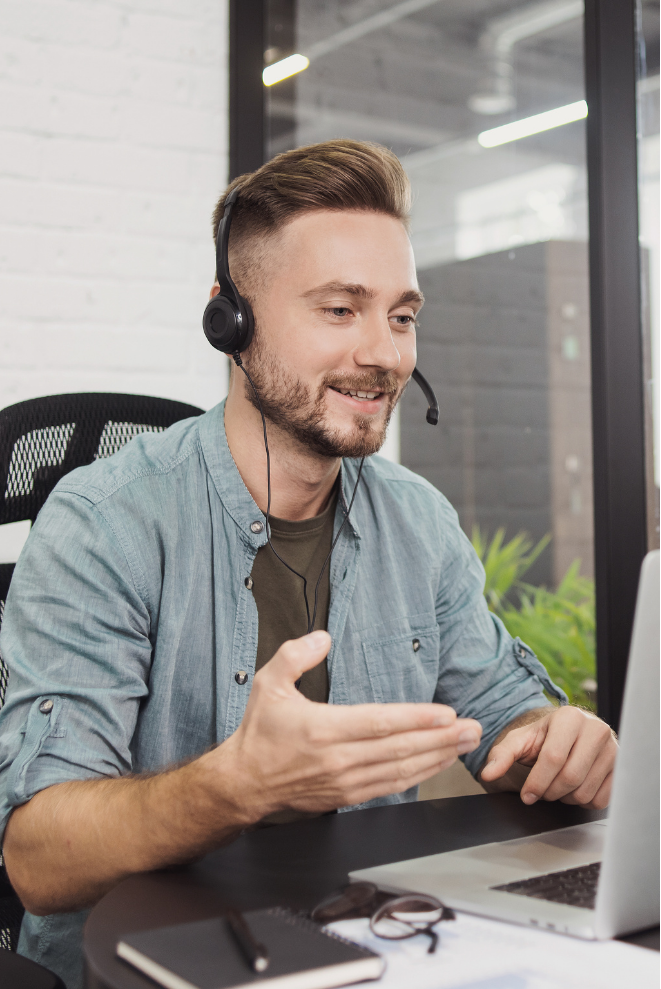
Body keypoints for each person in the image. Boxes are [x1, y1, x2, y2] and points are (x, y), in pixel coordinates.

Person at [0, 140, 616, 988]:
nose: (386, 354)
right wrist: (234, 786)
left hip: (367, 949)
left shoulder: (417, 519)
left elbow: (505, 712)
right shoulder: (104, 523)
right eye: (340, 310)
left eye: (401, 316)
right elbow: (37, 859)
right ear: (232, 320)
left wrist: (555, 742)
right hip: (143, 967)